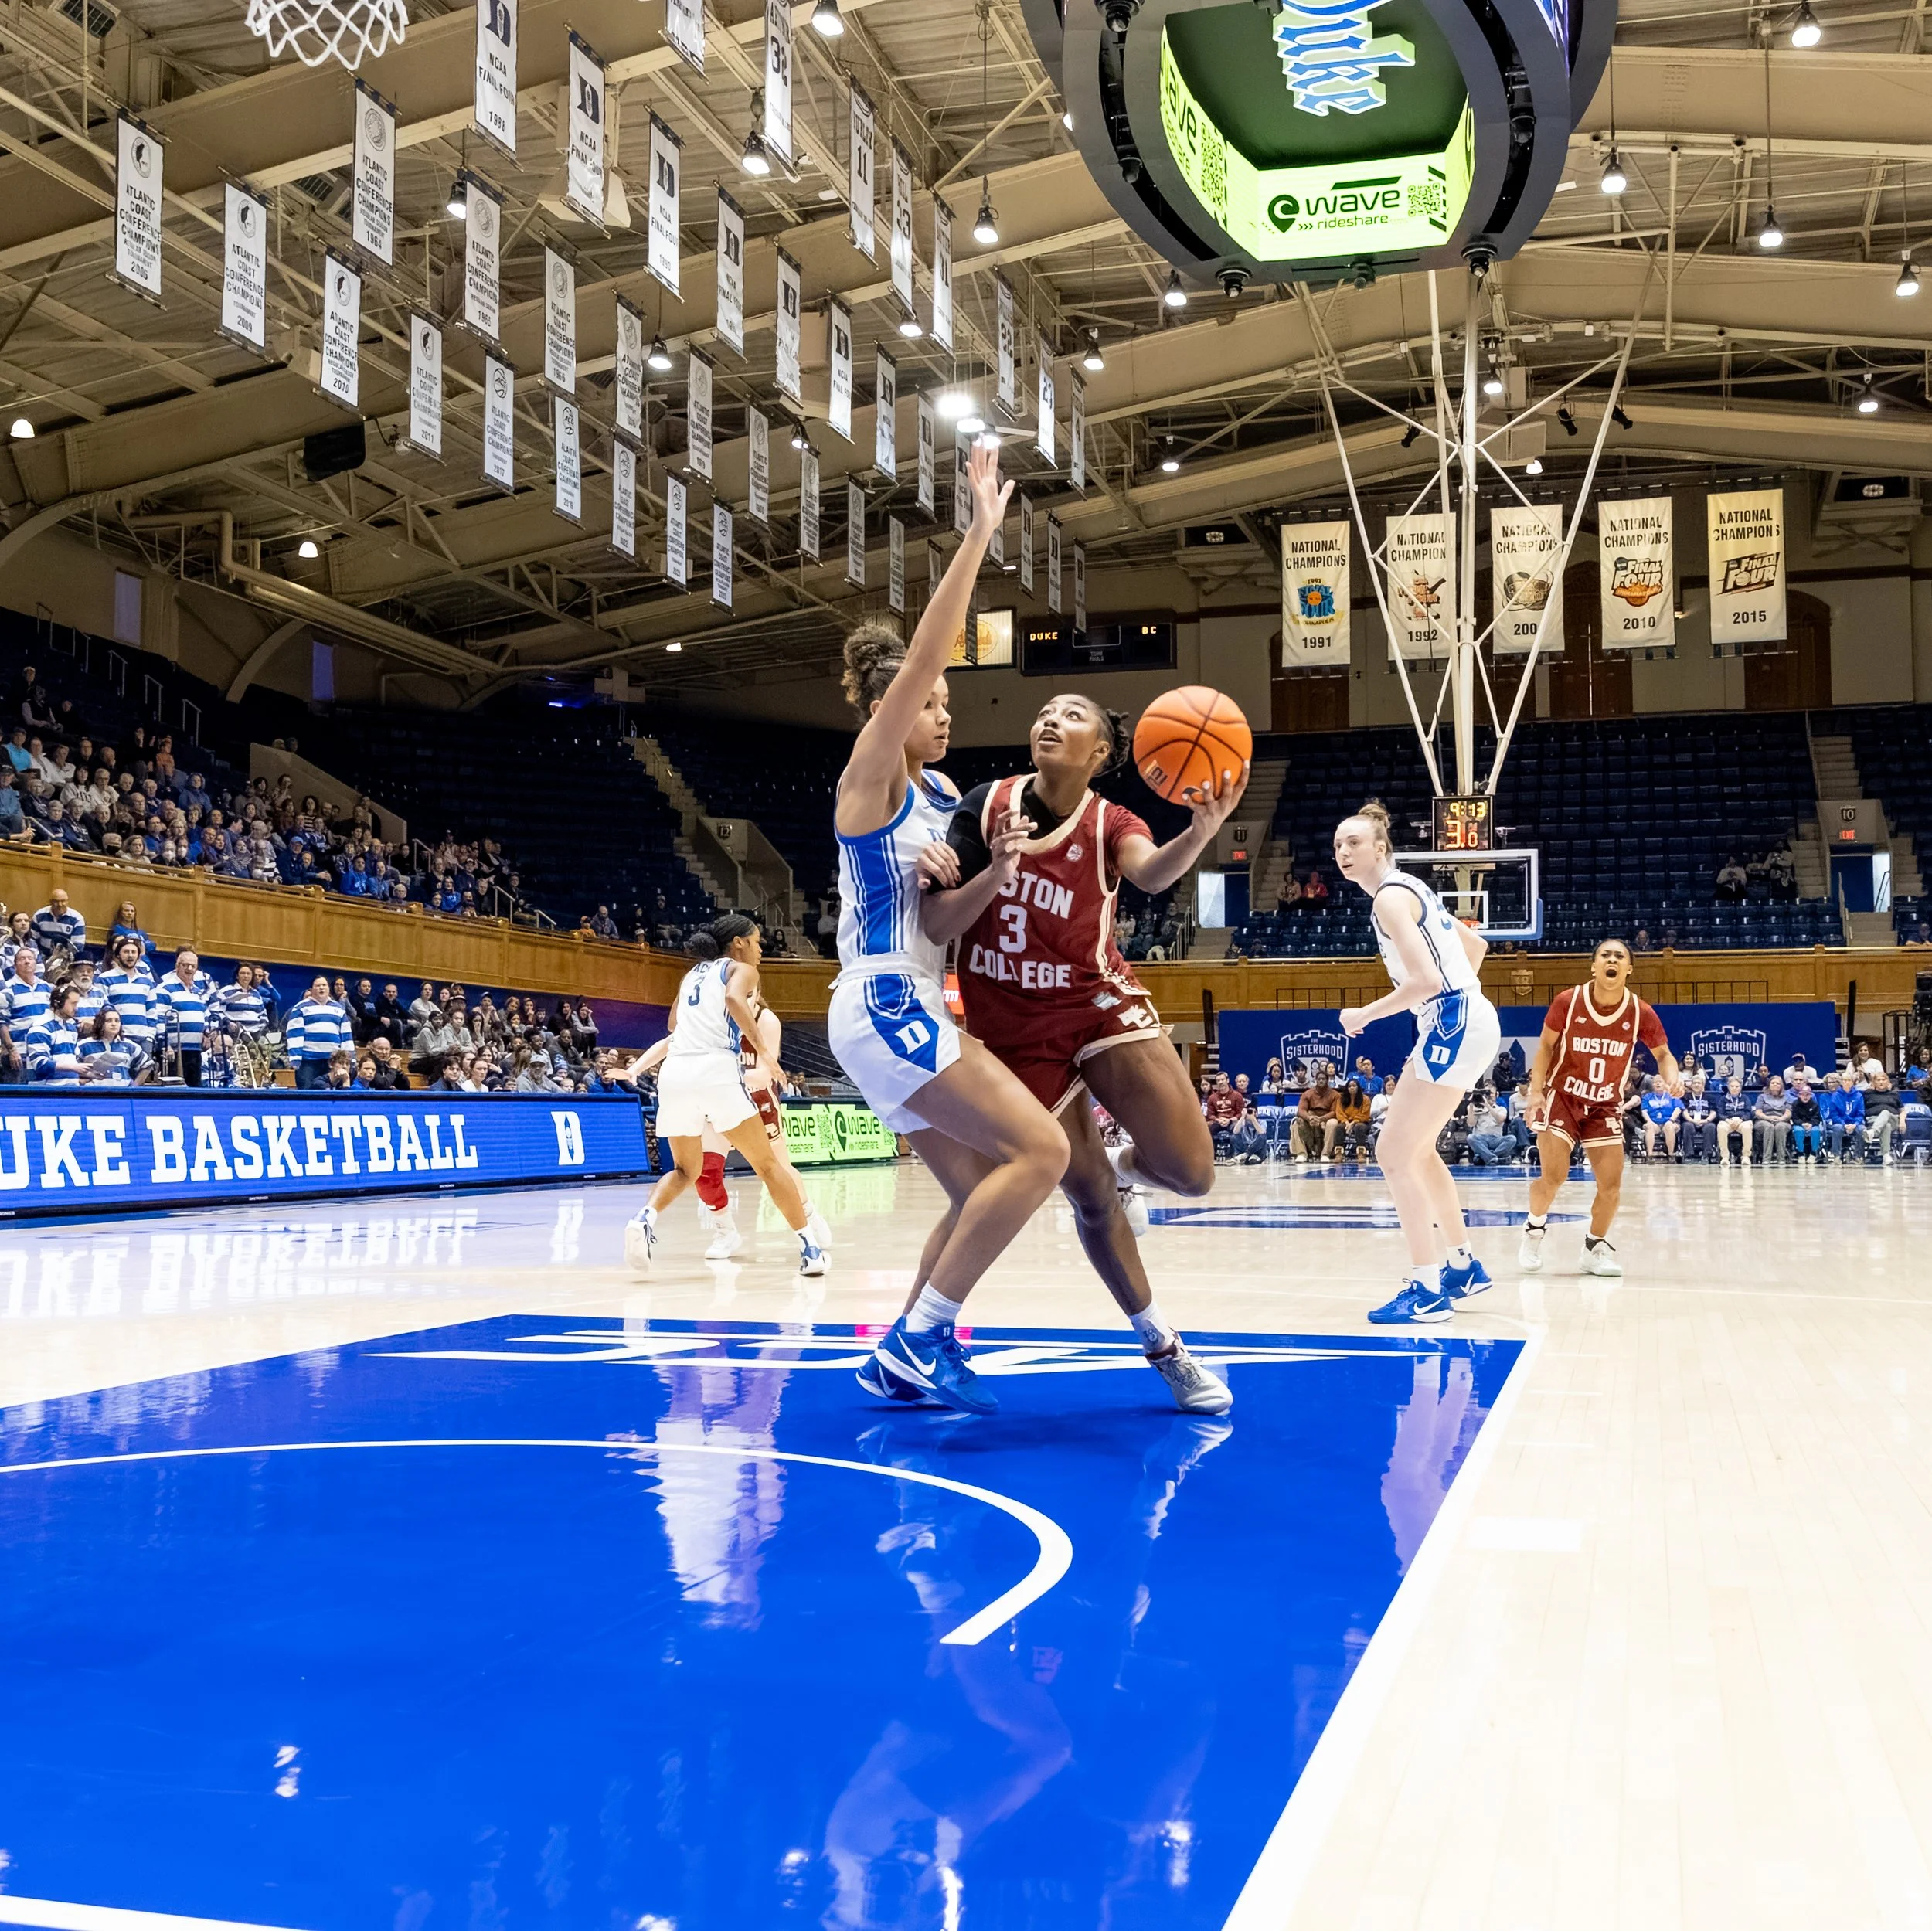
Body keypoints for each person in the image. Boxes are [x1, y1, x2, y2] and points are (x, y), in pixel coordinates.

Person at [821, 439, 1070, 1415]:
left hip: (916, 990)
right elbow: (926, 652)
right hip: (882, 998)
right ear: (890, 706)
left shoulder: (941, 796)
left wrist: (995, 871)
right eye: (927, 701)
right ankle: (922, 1341)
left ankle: (899, 1353)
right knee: (1041, 1153)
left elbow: (943, 922)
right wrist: (976, 537)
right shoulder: (870, 777)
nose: (942, 711)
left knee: (980, 1191)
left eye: (947, 703)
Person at [1335, 803, 1502, 1324]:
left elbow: (1427, 981)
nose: (1343, 852)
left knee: (1391, 1151)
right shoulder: (1411, 888)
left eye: (1354, 843)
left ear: (1380, 847)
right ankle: (1463, 1265)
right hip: (1463, 1018)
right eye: (1338, 845)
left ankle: (1427, 1290)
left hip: (1454, 1019)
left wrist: (1365, 1013)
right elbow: (1476, 945)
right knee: (1418, 1150)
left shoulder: (1389, 898)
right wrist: (1458, 1001)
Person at [623, 916, 831, 1277]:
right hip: (715, 1071)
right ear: (739, 943)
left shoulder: (692, 975)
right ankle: (810, 1248)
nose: (761, 948)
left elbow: (673, 1025)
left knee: (685, 1170)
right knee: (768, 1166)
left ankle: (644, 1219)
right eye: (757, 941)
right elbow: (734, 998)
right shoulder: (741, 970)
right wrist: (764, 1052)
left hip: (675, 1075)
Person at [1517, 937, 1682, 1278]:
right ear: (1594, 966)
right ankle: (1533, 1229)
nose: (1612, 959)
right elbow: (1545, 1047)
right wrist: (1536, 1093)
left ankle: (1593, 1250)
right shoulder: (1568, 1001)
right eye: (1605, 955)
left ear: (1628, 969)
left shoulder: (1640, 1012)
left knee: (1611, 1186)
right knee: (1554, 1177)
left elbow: (1663, 1054)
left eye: (1619, 956)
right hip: (1564, 1097)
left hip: (1605, 1103)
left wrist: (1673, 1076)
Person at [154, 947, 214, 1086]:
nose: (189, 969)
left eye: (193, 966)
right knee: (175, 1091)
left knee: (195, 1090)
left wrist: (208, 1033)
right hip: (173, 1051)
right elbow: (159, 1019)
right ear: (177, 966)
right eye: (185, 965)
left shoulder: (198, 992)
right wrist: (165, 1045)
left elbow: (205, 1017)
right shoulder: (165, 988)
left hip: (196, 1050)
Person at [287, 974, 352, 1090]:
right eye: (317, 986)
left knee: (332, 1095)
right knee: (306, 1094)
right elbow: (294, 1034)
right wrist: (295, 1058)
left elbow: (346, 1035)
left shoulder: (339, 1008)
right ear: (311, 989)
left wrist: (350, 1058)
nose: (321, 988)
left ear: (329, 988)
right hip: (308, 1062)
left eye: (324, 985)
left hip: (332, 1062)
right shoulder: (300, 1008)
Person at [0, 943, 49, 1084]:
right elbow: (1, 1022)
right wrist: (12, 1050)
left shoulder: (47, 988)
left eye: (30, 958)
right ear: (15, 965)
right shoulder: (8, 989)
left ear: (35, 963)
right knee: (17, 1095)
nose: (27, 962)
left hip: (42, 1054)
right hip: (18, 1056)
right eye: (22, 959)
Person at [23, 982, 84, 1086]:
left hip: (72, 1089)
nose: (76, 1008)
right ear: (57, 1003)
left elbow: (72, 1062)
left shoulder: (71, 1028)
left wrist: (89, 1073)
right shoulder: (40, 1028)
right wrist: (74, 1067)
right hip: (47, 1091)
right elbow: (40, 1064)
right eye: (73, 1004)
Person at [77, 1005, 151, 1085]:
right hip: (94, 1091)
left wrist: (134, 1087)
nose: (114, 1024)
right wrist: (80, 1082)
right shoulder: (84, 1045)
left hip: (122, 1091)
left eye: (117, 1021)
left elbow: (148, 1065)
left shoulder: (130, 1046)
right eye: (109, 1021)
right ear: (100, 1023)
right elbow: (72, 1068)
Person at [1294, 1066, 1340, 1161]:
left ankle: (1325, 1154)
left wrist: (1322, 1119)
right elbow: (1301, 1110)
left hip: (1327, 1119)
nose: (1321, 1081)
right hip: (1311, 1118)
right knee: (1296, 1123)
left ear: (1327, 1080)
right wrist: (1309, 1118)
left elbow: (1335, 1112)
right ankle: (1302, 1154)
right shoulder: (1307, 1094)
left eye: (1323, 1079)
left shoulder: (1335, 1095)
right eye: (1319, 1079)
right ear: (1316, 1080)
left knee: (1333, 1123)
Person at [1821, 1071, 1866, 1164]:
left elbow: (1861, 1113)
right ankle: (1837, 1156)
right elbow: (1834, 1114)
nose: (1847, 1082)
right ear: (1841, 1082)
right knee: (1837, 1128)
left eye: (1849, 1080)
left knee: (1862, 1130)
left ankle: (1857, 1156)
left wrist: (1855, 1124)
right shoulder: (1835, 1096)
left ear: (1853, 1082)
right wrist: (1844, 1124)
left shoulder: (1859, 1096)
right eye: (1845, 1080)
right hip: (1840, 1122)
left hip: (1855, 1122)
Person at [31, 889, 85, 961]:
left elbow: (77, 947)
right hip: (42, 958)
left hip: (66, 960)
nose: (60, 905)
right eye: (56, 901)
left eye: (63, 901)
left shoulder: (77, 919)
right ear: (50, 902)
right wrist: (39, 959)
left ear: (68, 902)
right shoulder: (39, 916)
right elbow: (33, 941)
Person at [1639, 1074, 1683, 1161]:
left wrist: (1671, 1120)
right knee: (1649, 1126)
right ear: (1652, 1085)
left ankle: (1671, 1155)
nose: (1658, 1084)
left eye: (1660, 1082)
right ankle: (1650, 1156)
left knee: (1669, 1127)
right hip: (1654, 1122)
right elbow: (1644, 1111)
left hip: (1670, 1122)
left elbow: (1678, 1109)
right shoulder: (1647, 1097)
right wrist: (1649, 1121)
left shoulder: (1672, 1095)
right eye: (1655, 1082)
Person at [1753, 1075, 1792, 1166]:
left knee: (1780, 1127)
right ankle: (1766, 1159)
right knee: (1769, 1127)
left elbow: (1788, 1113)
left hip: (1782, 1120)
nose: (1775, 1085)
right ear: (1769, 1085)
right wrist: (1769, 1118)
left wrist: (1781, 1119)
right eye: (1773, 1083)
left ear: (1781, 1086)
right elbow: (1758, 1112)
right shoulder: (1762, 1097)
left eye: (1778, 1083)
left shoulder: (1787, 1097)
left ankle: (1781, 1159)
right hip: (1764, 1120)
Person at [1715, 1076, 1752, 1164]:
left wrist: (1741, 1120)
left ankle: (1746, 1156)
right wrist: (1728, 1120)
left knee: (1747, 1127)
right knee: (1721, 1127)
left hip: (1741, 1121)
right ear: (1728, 1087)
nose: (1734, 1088)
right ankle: (1725, 1157)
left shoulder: (1745, 1098)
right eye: (1732, 1086)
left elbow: (1749, 1113)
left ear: (1741, 1087)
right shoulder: (1723, 1099)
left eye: (1737, 1086)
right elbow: (1720, 1113)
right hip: (1728, 1121)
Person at [1335, 1076, 1374, 1161]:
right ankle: (1339, 1153)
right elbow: (1339, 1113)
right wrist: (1346, 1123)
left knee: (1359, 1126)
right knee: (1339, 1127)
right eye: (1350, 1086)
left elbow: (1365, 1114)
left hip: (1362, 1122)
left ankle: (1361, 1153)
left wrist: (1353, 1123)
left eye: (1354, 1086)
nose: (1352, 1088)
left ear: (1358, 1087)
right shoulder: (1341, 1099)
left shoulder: (1365, 1099)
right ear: (1347, 1088)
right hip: (1346, 1122)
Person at [1680, 1074, 1717, 1162]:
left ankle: (1706, 1155)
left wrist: (1707, 1120)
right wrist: (1692, 1120)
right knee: (1687, 1126)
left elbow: (1714, 1112)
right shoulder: (1686, 1097)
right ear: (1691, 1085)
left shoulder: (1709, 1097)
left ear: (1703, 1085)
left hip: (1705, 1121)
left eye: (1699, 1083)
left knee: (1711, 1127)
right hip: (1690, 1121)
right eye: (1695, 1083)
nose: (1697, 1085)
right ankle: (1689, 1155)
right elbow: (1684, 1111)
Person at [1788, 1079, 1824, 1162]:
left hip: (1812, 1125)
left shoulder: (1815, 1104)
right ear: (1799, 1095)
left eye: (1807, 1095)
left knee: (1816, 1131)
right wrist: (1802, 1124)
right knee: (1798, 1131)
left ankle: (1813, 1153)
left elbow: (1817, 1118)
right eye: (1803, 1095)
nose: (1805, 1097)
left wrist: (1811, 1124)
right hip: (1800, 1125)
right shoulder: (1795, 1104)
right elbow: (1795, 1118)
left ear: (1811, 1095)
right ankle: (1801, 1153)